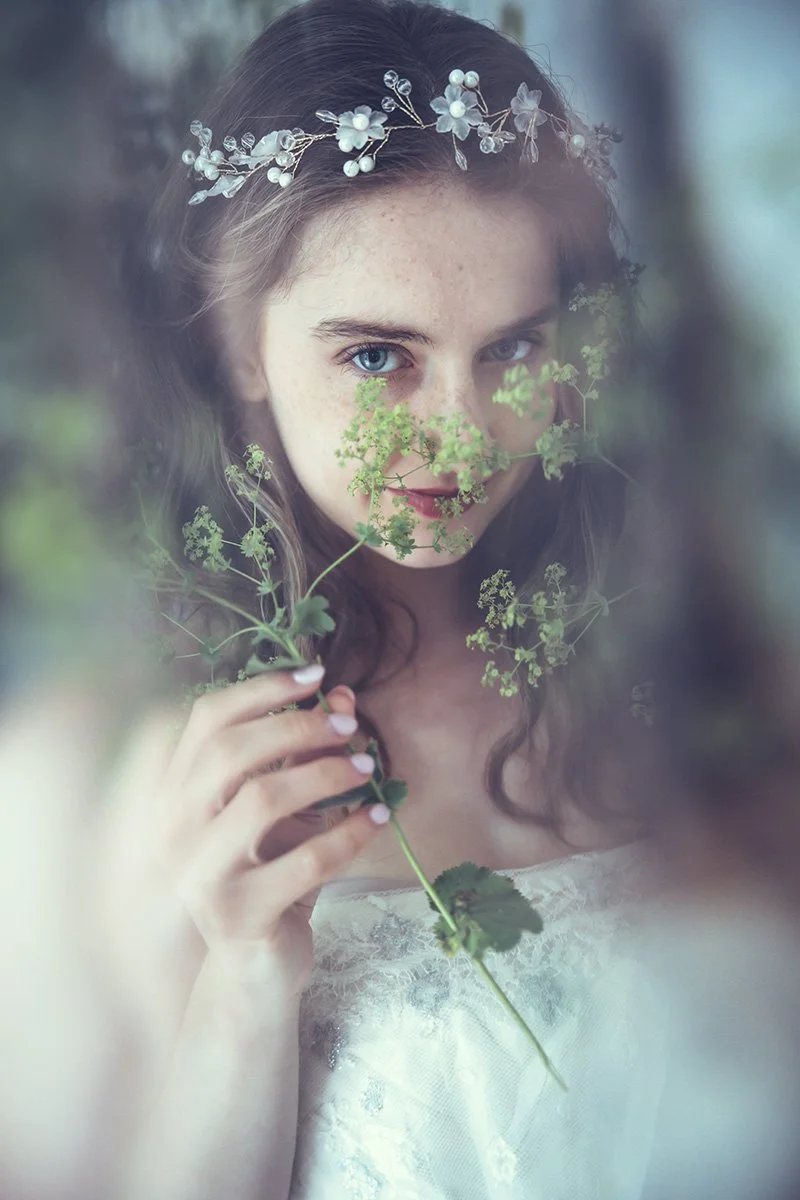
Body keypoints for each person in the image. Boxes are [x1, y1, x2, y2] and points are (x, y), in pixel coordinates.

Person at [116, 1, 671, 1196]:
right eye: (378, 357)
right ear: (237, 346)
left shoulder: (664, 659)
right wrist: (248, 978)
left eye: (514, 351)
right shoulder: (155, 752)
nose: (462, 438)